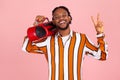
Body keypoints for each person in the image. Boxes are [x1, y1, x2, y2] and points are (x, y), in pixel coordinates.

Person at [22, 6, 108, 80]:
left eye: (64, 15)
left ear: (69, 18)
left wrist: (100, 34)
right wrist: (37, 27)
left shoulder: (82, 39)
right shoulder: (48, 40)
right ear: (53, 21)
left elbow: (102, 56)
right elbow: (27, 46)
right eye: (57, 17)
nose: (61, 18)